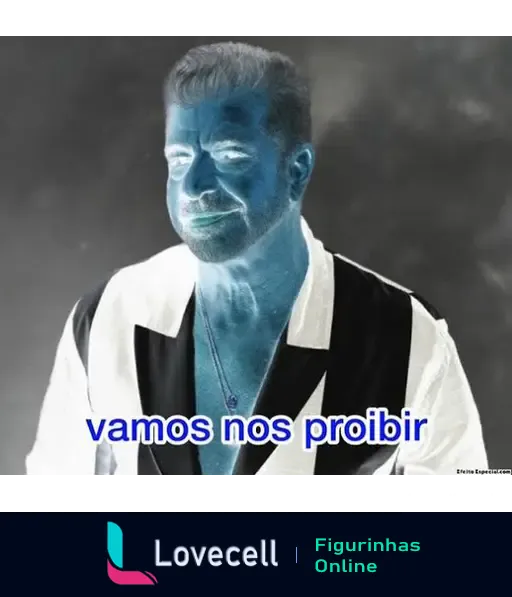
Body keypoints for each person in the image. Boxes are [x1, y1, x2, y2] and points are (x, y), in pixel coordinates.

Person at [25, 42, 488, 480]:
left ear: (297, 170)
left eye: (230, 155)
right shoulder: (108, 316)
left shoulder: (407, 336)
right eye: (179, 159)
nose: (193, 185)